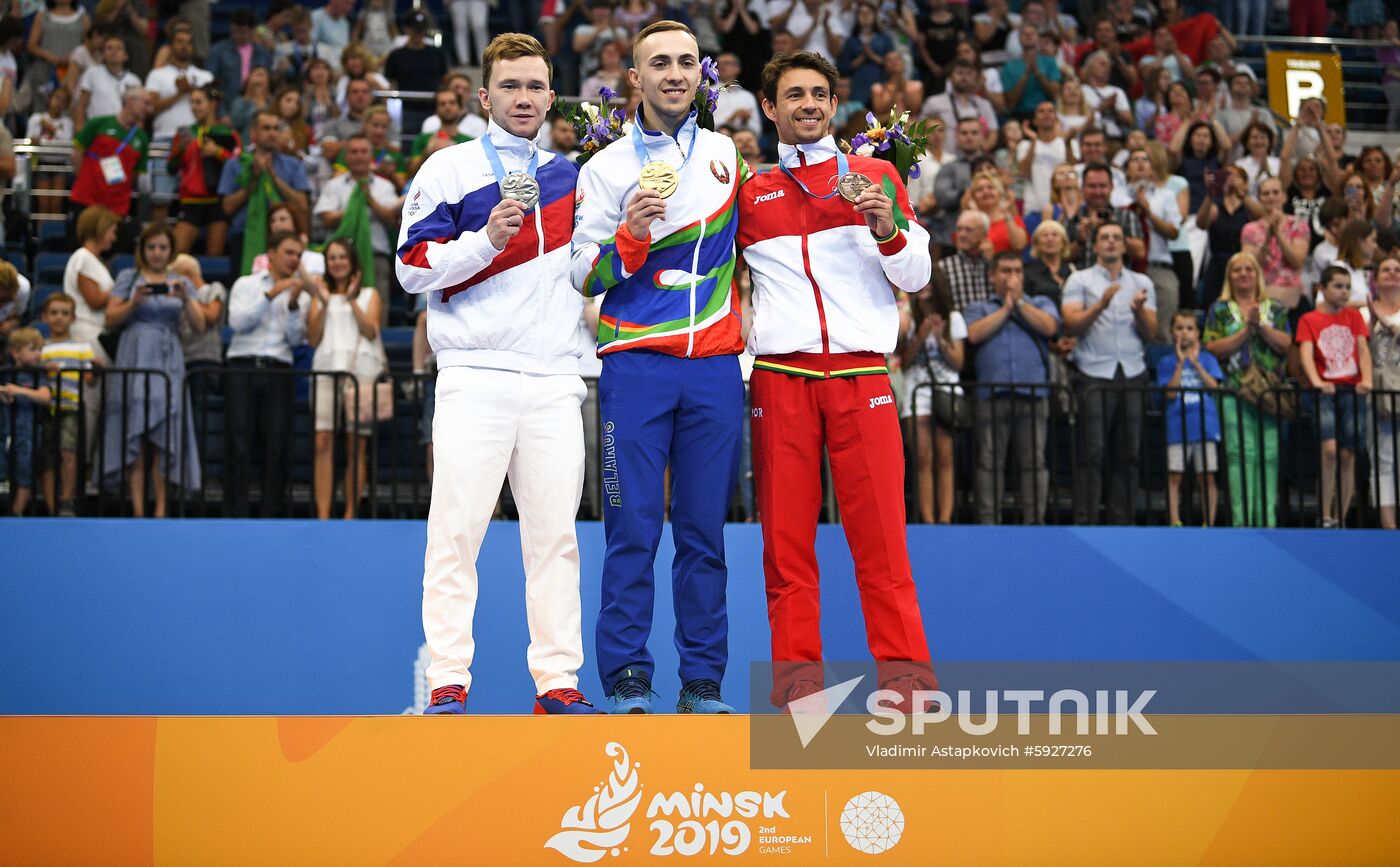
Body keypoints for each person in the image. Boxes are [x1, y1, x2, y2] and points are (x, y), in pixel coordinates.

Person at [398, 33, 601, 716]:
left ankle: (557, 682)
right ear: (485, 96)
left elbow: (586, 272)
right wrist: (484, 239)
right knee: (455, 533)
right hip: (474, 374)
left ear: (551, 97)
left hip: (553, 381)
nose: (523, 98)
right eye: (510, 86)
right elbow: (409, 267)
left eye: (535, 86)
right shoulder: (449, 169)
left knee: (556, 539)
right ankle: (448, 679)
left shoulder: (574, 177)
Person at [736, 48, 936, 709]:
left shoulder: (875, 175)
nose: (809, 105)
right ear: (770, 108)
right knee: (786, 551)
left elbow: (917, 275)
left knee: (883, 544)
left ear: (834, 101)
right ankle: (799, 697)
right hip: (780, 381)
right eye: (794, 95)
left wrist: (887, 227)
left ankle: (906, 688)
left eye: (819, 93)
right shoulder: (751, 191)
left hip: (861, 377)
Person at [570, 21, 746, 715]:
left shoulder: (728, 155)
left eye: (685, 62)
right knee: (632, 528)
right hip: (636, 366)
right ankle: (627, 679)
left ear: (700, 75)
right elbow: (585, 273)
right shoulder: (605, 169)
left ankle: (702, 681)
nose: (674, 74)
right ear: (634, 79)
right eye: (658, 63)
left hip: (713, 370)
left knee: (704, 533)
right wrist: (631, 237)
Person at [99, 223, 203, 516]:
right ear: (143, 250)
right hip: (134, 352)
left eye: (163, 248)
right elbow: (110, 318)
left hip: (169, 354)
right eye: (152, 247)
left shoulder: (182, 281)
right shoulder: (127, 278)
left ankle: (160, 507)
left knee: (164, 430)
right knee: (135, 429)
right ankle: (137, 509)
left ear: (171, 251)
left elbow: (199, 325)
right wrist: (134, 302)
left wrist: (186, 299)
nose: (157, 253)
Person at [1061, 220, 1158, 524]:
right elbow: (1071, 324)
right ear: (1095, 244)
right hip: (1093, 373)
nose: (1112, 242)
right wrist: (1101, 304)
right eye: (1105, 237)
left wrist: (1139, 310)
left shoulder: (1142, 282)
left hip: (1132, 371)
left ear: (1125, 244)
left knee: (1129, 453)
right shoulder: (1080, 280)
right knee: (1092, 452)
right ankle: (1087, 520)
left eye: (1117, 237)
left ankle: (1123, 522)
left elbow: (1151, 332)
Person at [965, 251, 1061, 524]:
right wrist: (1006, 309)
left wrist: (1019, 304)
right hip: (991, 395)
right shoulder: (979, 307)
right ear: (992, 275)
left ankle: (1035, 522)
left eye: (1017, 271)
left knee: (1034, 463)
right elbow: (974, 334)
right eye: (1005, 270)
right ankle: (988, 523)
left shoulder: (1040, 302)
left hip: (1033, 394)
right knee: (988, 462)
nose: (1012, 277)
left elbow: (1050, 327)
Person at [1203, 252, 1292, 527]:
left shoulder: (1274, 308)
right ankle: (1242, 521)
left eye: (1249, 269)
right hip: (1233, 389)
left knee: (1269, 454)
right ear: (1229, 276)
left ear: (1257, 274)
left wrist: (1261, 327)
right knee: (1239, 453)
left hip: (1268, 391)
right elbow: (1211, 348)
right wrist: (1244, 332)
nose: (1243, 274)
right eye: (1237, 270)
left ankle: (1267, 519)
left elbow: (1288, 344)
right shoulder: (1219, 309)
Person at [224, 230, 309, 518]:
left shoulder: (299, 293)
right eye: (289, 252)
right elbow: (237, 322)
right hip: (243, 365)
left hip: (279, 368)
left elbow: (296, 339)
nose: (294, 259)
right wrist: (270, 295)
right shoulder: (246, 285)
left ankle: (272, 516)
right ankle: (234, 515)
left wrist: (295, 305)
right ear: (271, 253)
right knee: (238, 442)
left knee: (277, 445)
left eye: (298, 255)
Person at [307, 239, 382, 521]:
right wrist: (325, 302)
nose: (337, 262)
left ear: (352, 263)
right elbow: (312, 338)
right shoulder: (320, 296)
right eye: (332, 257)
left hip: (360, 370)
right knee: (322, 440)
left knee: (356, 444)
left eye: (342, 257)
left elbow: (371, 331)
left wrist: (350, 300)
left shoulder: (370, 294)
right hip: (325, 369)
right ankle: (323, 515)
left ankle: (351, 513)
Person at [1299, 266, 1374, 527]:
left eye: (1347, 287)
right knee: (1329, 450)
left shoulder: (1354, 317)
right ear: (1322, 288)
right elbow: (1306, 354)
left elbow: (1363, 350)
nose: (1343, 292)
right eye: (1338, 286)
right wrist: (1317, 381)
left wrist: (1367, 379)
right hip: (1325, 392)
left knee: (1348, 454)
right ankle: (1324, 514)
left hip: (1352, 390)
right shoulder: (1309, 319)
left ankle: (1341, 517)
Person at [315, 133, 401, 323]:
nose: (359, 156)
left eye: (363, 151)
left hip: (376, 256)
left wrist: (369, 199)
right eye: (354, 152)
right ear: (346, 157)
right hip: (341, 259)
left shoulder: (384, 186)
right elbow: (325, 218)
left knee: (376, 312)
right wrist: (354, 207)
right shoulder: (333, 186)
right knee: (338, 311)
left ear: (370, 155)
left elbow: (390, 218)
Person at [900, 278, 965, 524]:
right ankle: (928, 519)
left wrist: (939, 339)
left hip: (946, 391)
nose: (924, 287)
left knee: (945, 458)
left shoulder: (954, 318)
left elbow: (959, 362)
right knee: (923, 458)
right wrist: (920, 337)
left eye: (928, 282)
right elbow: (903, 362)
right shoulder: (908, 318)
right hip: (917, 391)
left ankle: (945, 518)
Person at [219, 110, 313, 276]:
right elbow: (227, 207)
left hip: (282, 239)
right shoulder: (236, 164)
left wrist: (275, 178)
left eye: (276, 129)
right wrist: (253, 180)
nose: (272, 133)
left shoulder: (293, 165)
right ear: (253, 132)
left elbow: (302, 204)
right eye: (266, 128)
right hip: (245, 238)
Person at [1158, 310, 1222, 526]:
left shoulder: (1208, 359)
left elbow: (1214, 387)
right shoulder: (1166, 361)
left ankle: (1208, 522)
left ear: (1197, 334)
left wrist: (1195, 364)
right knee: (1175, 476)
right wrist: (1180, 364)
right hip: (1177, 427)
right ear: (1171, 332)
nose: (1184, 333)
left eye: (1189, 328)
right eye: (1179, 328)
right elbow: (1170, 393)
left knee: (1207, 477)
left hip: (1205, 426)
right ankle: (1175, 520)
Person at [145, 25, 213, 221]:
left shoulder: (205, 76)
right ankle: (158, 240)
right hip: (164, 140)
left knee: (194, 196)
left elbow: (212, 109)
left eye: (189, 42)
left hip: (197, 142)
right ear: (171, 46)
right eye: (179, 41)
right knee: (161, 198)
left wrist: (191, 91)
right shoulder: (157, 75)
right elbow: (150, 108)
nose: (184, 46)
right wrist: (179, 93)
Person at [37, 294, 96, 517]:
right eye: (53, 313)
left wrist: (94, 369)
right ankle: (51, 506)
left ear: (73, 318)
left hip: (71, 408)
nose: (58, 318)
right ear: (44, 317)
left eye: (64, 313)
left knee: (68, 452)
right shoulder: (40, 347)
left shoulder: (82, 347)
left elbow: (89, 380)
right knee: (47, 456)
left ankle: (66, 501)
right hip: (46, 409)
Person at [68, 86, 151, 236]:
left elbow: (136, 175)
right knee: (78, 245)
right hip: (86, 198)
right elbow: (76, 153)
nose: (149, 109)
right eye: (145, 103)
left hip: (116, 207)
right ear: (130, 101)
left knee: (111, 250)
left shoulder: (142, 139)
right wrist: (87, 179)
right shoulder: (98, 123)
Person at [168, 85, 239, 256]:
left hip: (218, 201)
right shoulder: (186, 133)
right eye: (192, 102)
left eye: (199, 102)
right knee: (178, 253)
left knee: (214, 254)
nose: (194, 107)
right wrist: (180, 150)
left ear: (213, 104)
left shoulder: (228, 133)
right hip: (191, 200)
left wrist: (218, 152)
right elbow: (171, 168)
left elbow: (239, 167)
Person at [1126, 146, 1181, 339]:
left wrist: (1149, 213)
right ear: (1127, 168)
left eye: (1145, 159)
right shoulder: (1117, 196)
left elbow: (1174, 232)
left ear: (1152, 168)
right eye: (1135, 159)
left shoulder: (1165, 196)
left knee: (1162, 328)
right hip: (1125, 266)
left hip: (1158, 266)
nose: (1140, 163)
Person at [0, 328, 51, 517]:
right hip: (5, 431)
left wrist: (20, 391)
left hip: (27, 432)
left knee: (25, 469)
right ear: (15, 351)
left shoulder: (38, 375)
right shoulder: (5, 372)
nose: (38, 353)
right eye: (33, 349)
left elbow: (46, 396)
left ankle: (16, 512)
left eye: (40, 349)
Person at [1241, 176, 1310, 311]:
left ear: (1284, 196)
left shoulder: (1298, 225)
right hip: (1261, 295)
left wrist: (1278, 234)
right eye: (1266, 193)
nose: (1271, 197)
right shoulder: (1250, 229)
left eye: (1275, 192)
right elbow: (1250, 266)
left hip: (1292, 297)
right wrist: (1267, 238)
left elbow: (1297, 262)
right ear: (1259, 198)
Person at [1197, 165, 1261, 310]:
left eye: (1236, 176)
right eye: (1227, 176)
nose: (1231, 180)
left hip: (1243, 264)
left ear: (1245, 182)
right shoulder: (1215, 207)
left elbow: (1261, 217)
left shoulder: (1248, 207)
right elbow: (1201, 224)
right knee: (1214, 306)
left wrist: (1242, 194)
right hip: (1218, 265)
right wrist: (1210, 193)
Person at [63, 205, 121, 365]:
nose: (113, 238)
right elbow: (94, 301)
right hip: (87, 334)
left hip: (95, 332)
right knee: (93, 388)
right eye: (112, 232)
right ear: (100, 230)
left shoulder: (95, 260)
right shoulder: (83, 258)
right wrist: (121, 287)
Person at [1369, 255, 1400, 529]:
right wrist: (1372, 321)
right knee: (1383, 460)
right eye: (1385, 270)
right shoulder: (1362, 312)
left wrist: (1389, 324)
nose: (1392, 274)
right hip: (1377, 396)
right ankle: (1388, 527)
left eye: (1397, 270)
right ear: (1375, 278)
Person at [383, 10, 450, 136]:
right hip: (406, 108)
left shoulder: (436, 53)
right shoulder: (396, 55)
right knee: (407, 140)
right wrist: (389, 110)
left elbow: (445, 80)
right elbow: (390, 84)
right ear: (406, 29)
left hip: (433, 107)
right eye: (415, 29)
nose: (419, 33)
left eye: (421, 29)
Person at [921, 59, 999, 147]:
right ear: (950, 77)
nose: (964, 77)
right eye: (959, 73)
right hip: (944, 157)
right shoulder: (933, 102)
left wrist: (980, 154)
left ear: (975, 77)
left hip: (974, 157)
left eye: (969, 74)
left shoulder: (984, 104)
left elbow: (993, 133)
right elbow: (920, 131)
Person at [205, 10, 274, 108]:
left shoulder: (263, 53)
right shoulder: (217, 51)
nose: (237, 35)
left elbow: (269, 85)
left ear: (252, 31)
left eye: (242, 32)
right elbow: (210, 83)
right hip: (226, 105)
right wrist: (221, 112)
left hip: (256, 108)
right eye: (234, 31)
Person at [74, 33, 142, 127]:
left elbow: (139, 113)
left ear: (126, 56)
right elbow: (81, 106)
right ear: (103, 54)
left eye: (118, 48)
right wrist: (79, 131)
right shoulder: (92, 73)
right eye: (109, 48)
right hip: (97, 130)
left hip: (123, 132)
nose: (114, 51)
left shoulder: (134, 80)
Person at [1017, 100, 1069, 214]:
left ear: (1056, 119)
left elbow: (1073, 173)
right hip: (1034, 208)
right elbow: (1023, 173)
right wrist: (1034, 140)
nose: (1046, 114)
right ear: (1034, 121)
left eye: (1050, 111)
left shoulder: (1067, 144)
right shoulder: (1025, 145)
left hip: (1062, 207)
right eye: (1041, 111)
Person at [1001, 24, 1061, 120]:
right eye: (1025, 34)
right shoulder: (1009, 67)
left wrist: (1038, 74)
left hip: (1048, 114)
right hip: (1022, 114)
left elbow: (1055, 94)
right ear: (1019, 39)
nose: (1029, 36)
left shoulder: (1050, 61)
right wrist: (1026, 74)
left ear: (1038, 38)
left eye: (1032, 33)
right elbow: (1011, 104)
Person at [941, 210, 994, 311]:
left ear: (984, 234)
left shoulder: (994, 265)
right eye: (959, 229)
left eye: (968, 230)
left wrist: (992, 262)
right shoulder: (943, 267)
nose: (961, 235)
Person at [964, 172, 1027, 255]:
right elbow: (966, 247)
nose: (986, 192)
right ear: (974, 196)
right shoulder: (966, 222)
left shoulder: (1012, 219)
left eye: (990, 187)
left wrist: (1006, 214)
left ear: (999, 192)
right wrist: (975, 215)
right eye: (979, 189)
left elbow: (1019, 246)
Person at [1333, 219, 1380, 308]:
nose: (1376, 245)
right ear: (1360, 242)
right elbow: (1327, 302)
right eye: (1373, 240)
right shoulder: (1339, 267)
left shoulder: (1371, 270)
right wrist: (1370, 305)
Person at [1025, 218, 1073, 304]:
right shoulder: (1027, 272)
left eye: (1055, 235)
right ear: (1037, 243)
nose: (1050, 239)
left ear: (1063, 242)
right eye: (1044, 235)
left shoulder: (1072, 271)